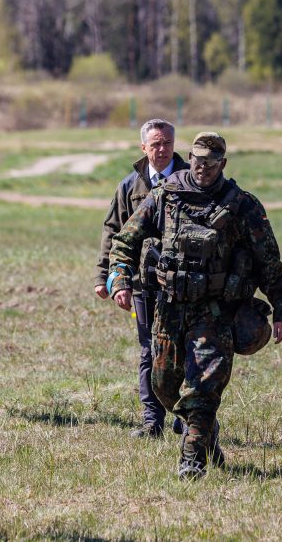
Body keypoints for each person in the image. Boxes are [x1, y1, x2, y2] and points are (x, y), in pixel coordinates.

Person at [108, 132, 282, 479]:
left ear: (222, 163)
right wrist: (119, 279)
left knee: (203, 387)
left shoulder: (242, 205)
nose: (202, 167)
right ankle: (205, 430)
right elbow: (124, 242)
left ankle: (192, 459)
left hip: (217, 312)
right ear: (188, 158)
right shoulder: (164, 197)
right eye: (196, 159)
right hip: (170, 308)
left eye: (210, 161)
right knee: (164, 386)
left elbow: (268, 262)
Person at [94, 119, 189, 438]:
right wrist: (107, 278)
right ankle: (152, 420)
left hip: (183, 282)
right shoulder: (129, 186)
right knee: (149, 349)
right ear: (143, 148)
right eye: (155, 144)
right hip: (141, 283)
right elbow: (113, 231)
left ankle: (184, 415)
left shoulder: (190, 181)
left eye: (167, 143)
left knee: (185, 347)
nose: (161, 150)